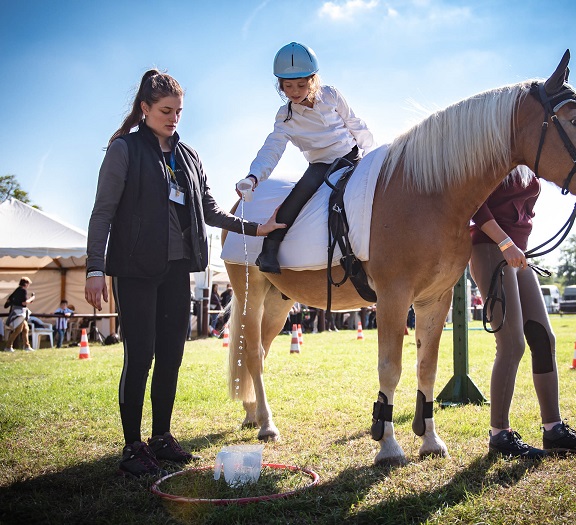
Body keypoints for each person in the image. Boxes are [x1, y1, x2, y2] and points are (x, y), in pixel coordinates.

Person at [85, 69, 285, 478]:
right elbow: (102, 212)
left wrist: (255, 226)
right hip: (136, 270)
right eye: (165, 110)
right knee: (139, 356)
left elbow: (210, 210)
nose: (173, 118)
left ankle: (161, 437)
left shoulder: (190, 156)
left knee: (172, 358)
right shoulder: (124, 150)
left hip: (178, 271)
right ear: (144, 109)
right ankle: (132, 446)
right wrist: (94, 268)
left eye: (178, 111)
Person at [469, 167, 576, 459]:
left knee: (544, 339)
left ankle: (553, 429)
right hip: (492, 250)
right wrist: (505, 243)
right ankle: (500, 435)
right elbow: (474, 204)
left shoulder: (530, 163)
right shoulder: (494, 156)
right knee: (512, 344)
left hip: (519, 254)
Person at [236, 42, 376, 274]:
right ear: (280, 86)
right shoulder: (285, 116)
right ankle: (269, 250)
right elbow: (271, 149)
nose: (294, 91)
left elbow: (355, 123)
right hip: (320, 166)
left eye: (301, 84)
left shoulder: (331, 95)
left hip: (351, 158)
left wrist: (371, 157)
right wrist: (253, 178)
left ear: (313, 80)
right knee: (297, 197)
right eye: (287, 86)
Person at [3, 277, 35, 352]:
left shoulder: (17, 290)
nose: (28, 286)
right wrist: (32, 298)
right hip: (19, 313)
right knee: (18, 330)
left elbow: (9, 300)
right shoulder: (23, 290)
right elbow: (24, 303)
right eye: (28, 284)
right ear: (26, 284)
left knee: (25, 329)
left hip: (16, 311)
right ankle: (8, 346)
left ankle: (27, 346)